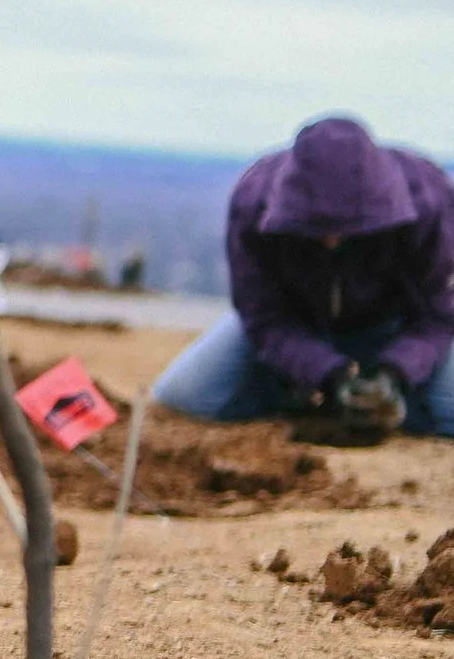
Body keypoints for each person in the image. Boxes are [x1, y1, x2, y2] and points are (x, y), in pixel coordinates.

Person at [153, 116, 454, 439]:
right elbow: (263, 317)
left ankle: (384, 404)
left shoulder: (428, 200)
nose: (332, 241)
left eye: (349, 229)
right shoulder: (254, 202)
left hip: (394, 328)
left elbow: (436, 317)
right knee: (186, 394)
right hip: (295, 325)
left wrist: (395, 373)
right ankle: (300, 393)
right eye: (317, 227)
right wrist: (328, 373)